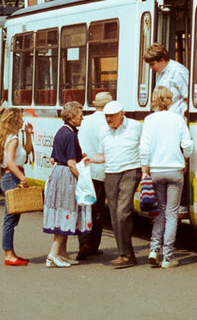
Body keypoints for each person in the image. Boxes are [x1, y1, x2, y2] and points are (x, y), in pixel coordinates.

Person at [140, 86, 194, 268]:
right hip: (175, 170)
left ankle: (154, 250)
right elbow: (187, 145)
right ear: (169, 100)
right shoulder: (178, 119)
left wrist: (144, 168)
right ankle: (167, 258)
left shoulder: (149, 120)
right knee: (172, 213)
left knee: (161, 211)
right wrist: (185, 158)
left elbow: (144, 147)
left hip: (156, 170)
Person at [86, 100, 143, 269]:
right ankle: (125, 254)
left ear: (121, 114)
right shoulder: (104, 130)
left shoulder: (135, 126)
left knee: (122, 213)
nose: (108, 120)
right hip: (110, 173)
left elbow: (145, 146)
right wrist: (92, 159)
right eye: (106, 116)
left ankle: (126, 254)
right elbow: (102, 155)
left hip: (130, 171)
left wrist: (146, 169)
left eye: (111, 116)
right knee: (113, 215)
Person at [43, 101, 91, 267]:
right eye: (80, 115)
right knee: (67, 213)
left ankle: (62, 253)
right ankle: (53, 253)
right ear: (72, 117)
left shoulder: (62, 131)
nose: (82, 118)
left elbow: (53, 158)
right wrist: (82, 179)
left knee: (62, 213)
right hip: (66, 176)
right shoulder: (71, 134)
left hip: (58, 173)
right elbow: (71, 163)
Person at [75, 91, 112, 260]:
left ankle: (83, 242)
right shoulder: (108, 121)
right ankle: (92, 245)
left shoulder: (85, 120)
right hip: (100, 170)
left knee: (84, 206)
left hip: (84, 169)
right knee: (97, 211)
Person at [0, 107, 30, 266]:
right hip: (12, 177)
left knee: (12, 217)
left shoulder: (10, 137)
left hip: (8, 176)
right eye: (21, 118)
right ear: (15, 120)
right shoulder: (13, 139)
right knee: (10, 218)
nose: (23, 121)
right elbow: (10, 161)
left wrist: (29, 135)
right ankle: (8, 254)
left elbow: (26, 153)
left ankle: (11, 252)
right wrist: (22, 178)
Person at [144, 43, 190, 118]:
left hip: (175, 119)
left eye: (152, 64)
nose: (150, 67)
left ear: (162, 60)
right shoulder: (162, 72)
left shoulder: (178, 71)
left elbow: (188, 96)